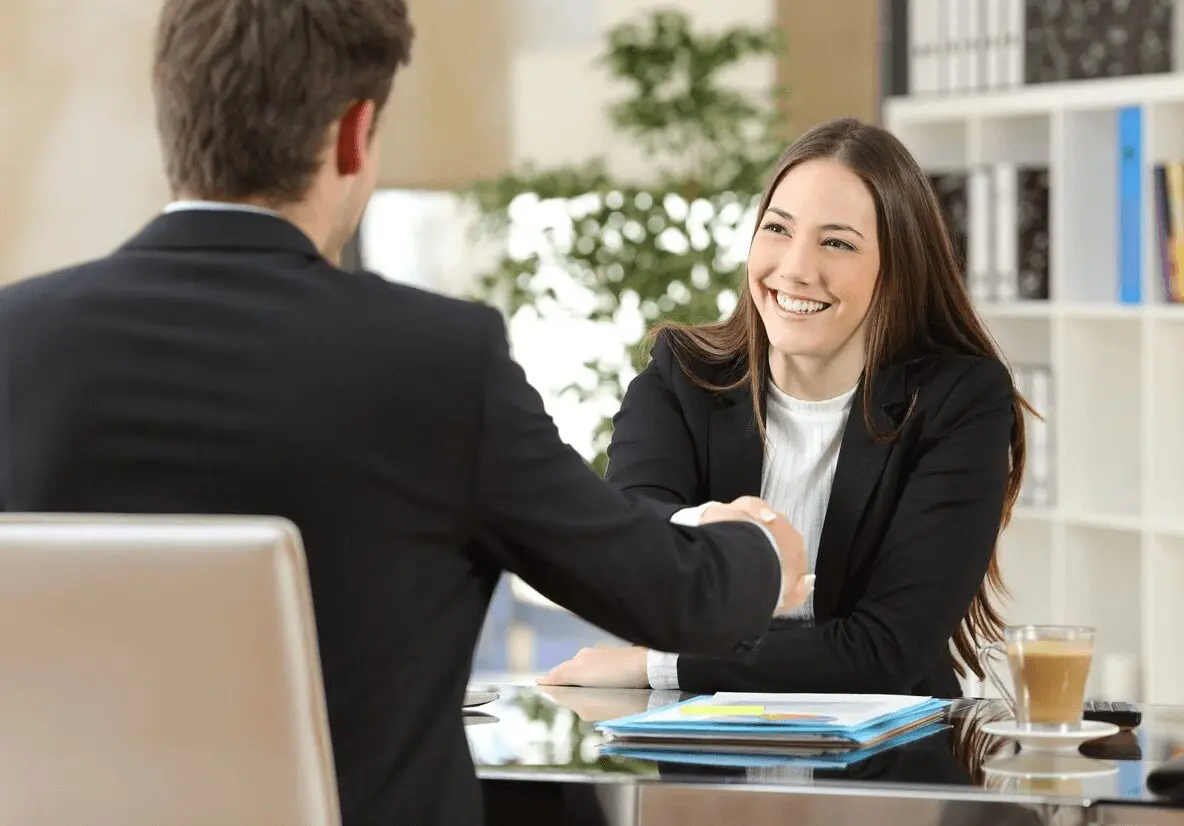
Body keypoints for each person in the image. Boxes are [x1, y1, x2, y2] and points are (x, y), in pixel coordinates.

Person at [0, 2, 814, 824]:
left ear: (172, 117)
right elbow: (663, 594)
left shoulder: (13, 343)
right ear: (356, 134)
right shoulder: (435, 361)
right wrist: (761, 552)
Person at [540, 117, 1028, 700]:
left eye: (837, 242)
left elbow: (886, 651)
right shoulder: (685, 372)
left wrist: (657, 666)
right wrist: (701, 523)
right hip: (706, 753)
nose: (795, 268)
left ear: (897, 269)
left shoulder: (959, 399)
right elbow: (624, 534)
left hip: (890, 766)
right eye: (778, 229)